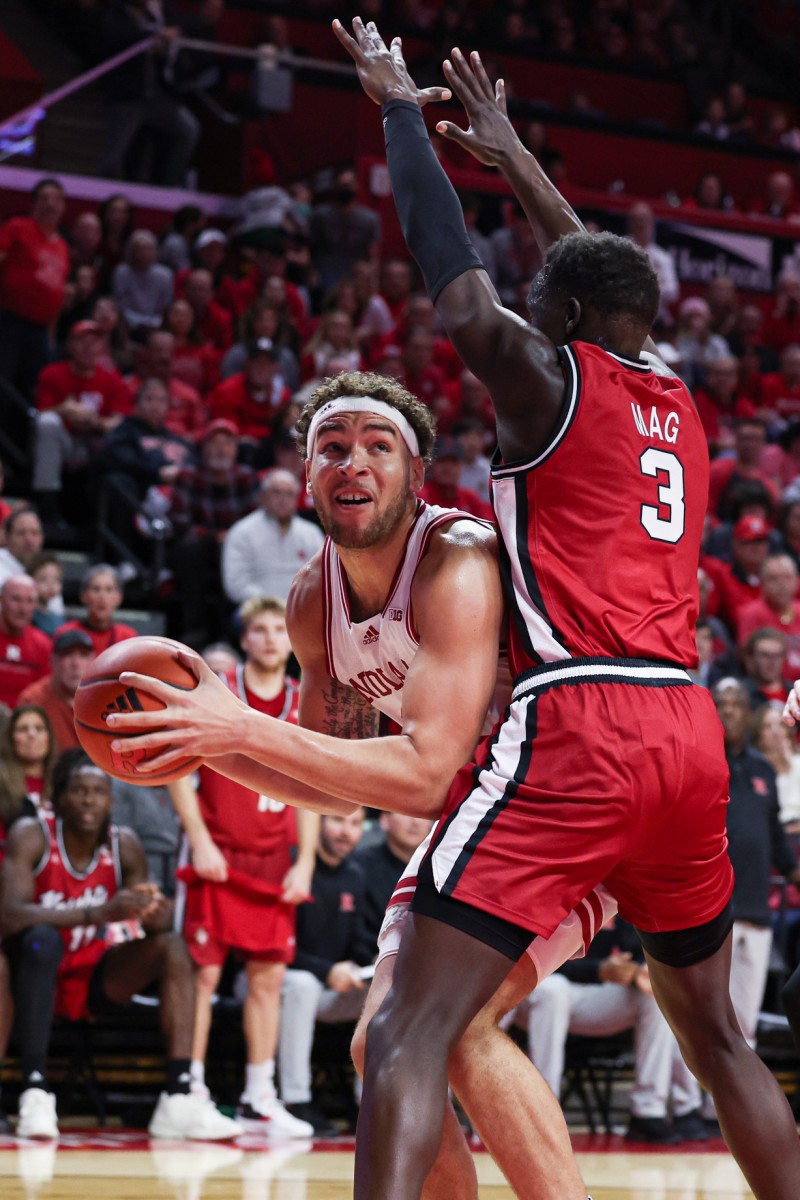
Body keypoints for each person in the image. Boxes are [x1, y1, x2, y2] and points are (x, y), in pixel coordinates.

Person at [124, 26, 798, 1199]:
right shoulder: (673, 398)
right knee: (717, 1041)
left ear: (558, 320)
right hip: (685, 727)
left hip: (578, 726)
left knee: (408, 1031)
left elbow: (454, 272)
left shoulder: (535, 400)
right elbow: (595, 278)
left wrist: (399, 113)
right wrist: (515, 159)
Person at [1, 750, 240, 1140]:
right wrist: (97, 912)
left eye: (99, 791)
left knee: (173, 946)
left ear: (112, 799)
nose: (89, 800)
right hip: (32, 975)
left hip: (94, 975)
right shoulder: (31, 835)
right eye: (79, 791)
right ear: (60, 797)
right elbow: (9, 916)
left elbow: (152, 923)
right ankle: (35, 1091)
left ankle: (179, 1095)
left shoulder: (123, 844)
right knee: (42, 941)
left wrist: (154, 910)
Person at [170, 597, 318, 1138]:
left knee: (268, 978)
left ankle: (260, 1096)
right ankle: (190, 1088)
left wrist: (305, 862)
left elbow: (312, 786)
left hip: (273, 859)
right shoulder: (218, 690)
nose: (272, 637)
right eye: (261, 628)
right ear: (245, 638)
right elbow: (174, 767)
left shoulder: (307, 700)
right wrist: (199, 841)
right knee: (204, 974)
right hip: (219, 853)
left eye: (280, 628)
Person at [515, 916, 705, 1144]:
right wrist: (598, 970)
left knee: (655, 995)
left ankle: (648, 1111)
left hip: (596, 996)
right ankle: (543, 1112)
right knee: (553, 990)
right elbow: (535, 958)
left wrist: (634, 971)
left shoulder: (619, 901)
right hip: (537, 993)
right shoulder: (554, 896)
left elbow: (637, 951)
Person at [276, 806, 373, 1135]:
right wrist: (326, 970)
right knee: (302, 985)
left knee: (384, 993)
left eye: (355, 824)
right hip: (268, 981)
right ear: (315, 821)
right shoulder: (291, 865)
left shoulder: (356, 875)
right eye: (338, 820)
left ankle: (368, 1106)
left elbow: (359, 941)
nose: (347, 831)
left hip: (327, 989)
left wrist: (368, 969)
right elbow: (276, 943)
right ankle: (295, 1101)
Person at [0, 178, 70, 398]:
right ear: (34, 204)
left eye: (56, 199)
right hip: (9, 321)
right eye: (44, 198)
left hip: (40, 330)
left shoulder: (62, 246)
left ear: (63, 207)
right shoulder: (17, 227)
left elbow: (56, 293)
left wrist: (51, 337)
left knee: (31, 390)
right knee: (3, 382)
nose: (50, 204)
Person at [221, 470, 324, 606]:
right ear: (263, 496)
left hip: (302, 607)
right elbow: (235, 583)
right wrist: (269, 604)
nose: (283, 499)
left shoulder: (311, 533)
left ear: (296, 498)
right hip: (257, 607)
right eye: (276, 492)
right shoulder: (242, 532)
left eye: (289, 494)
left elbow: (322, 578)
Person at [17, 628, 95, 753]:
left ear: (93, 661)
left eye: (83, 655)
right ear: (53, 661)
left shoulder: (103, 699)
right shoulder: (33, 700)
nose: (75, 663)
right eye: (67, 654)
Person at [54, 564, 139, 659]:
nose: (102, 597)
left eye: (109, 590)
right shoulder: (66, 632)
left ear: (119, 597)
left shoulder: (128, 638)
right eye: (96, 589)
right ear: (83, 596)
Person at [0, 576, 52, 711]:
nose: (22, 609)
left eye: (29, 601)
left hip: (26, 719)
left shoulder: (43, 645)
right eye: (16, 599)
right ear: (1, 600)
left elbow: (45, 694)